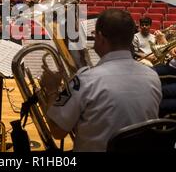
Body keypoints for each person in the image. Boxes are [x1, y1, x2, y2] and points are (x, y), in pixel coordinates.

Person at [41, 9, 162, 152]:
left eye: (94, 35)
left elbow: (57, 131)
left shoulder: (85, 79)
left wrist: (52, 90)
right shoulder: (153, 76)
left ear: (100, 37)